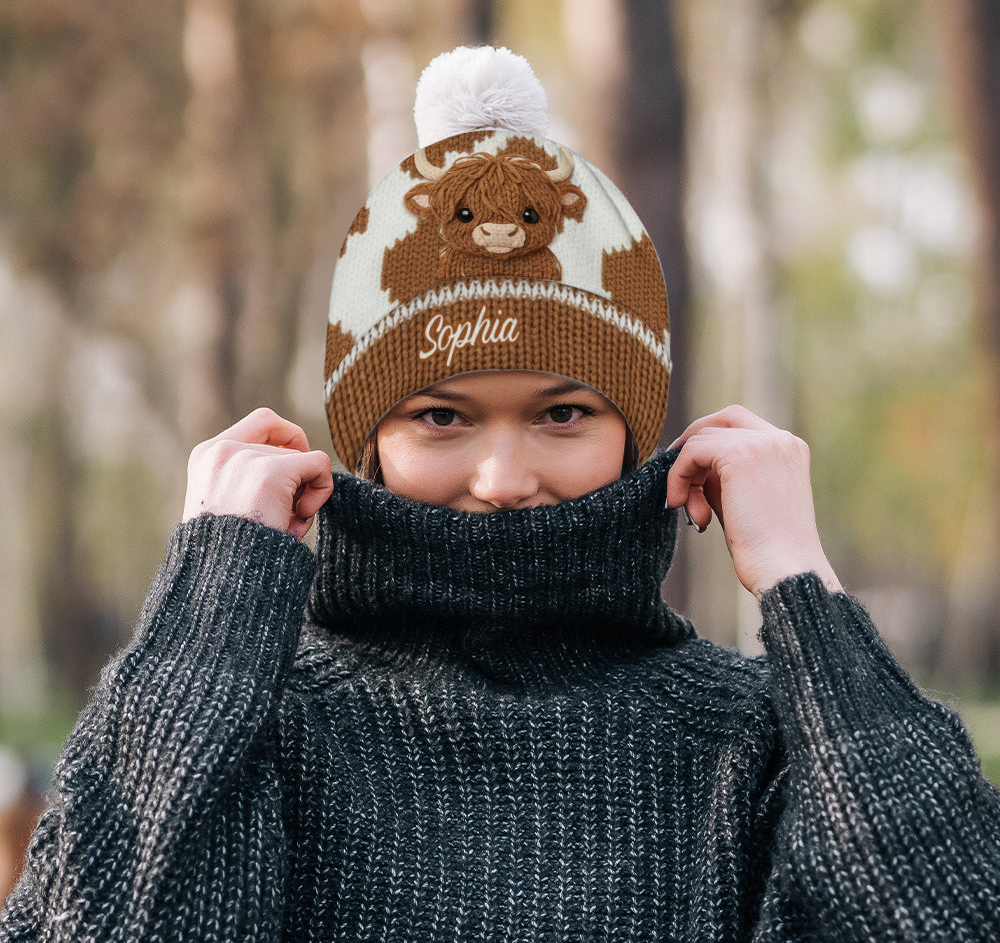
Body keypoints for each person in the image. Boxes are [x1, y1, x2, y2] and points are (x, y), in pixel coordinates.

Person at [2, 46, 999, 943]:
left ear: (631, 432)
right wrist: (201, 629)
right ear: (367, 441)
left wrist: (804, 588)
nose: (505, 477)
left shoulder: (750, 742)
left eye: (563, 413)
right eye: (441, 417)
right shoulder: (261, 727)